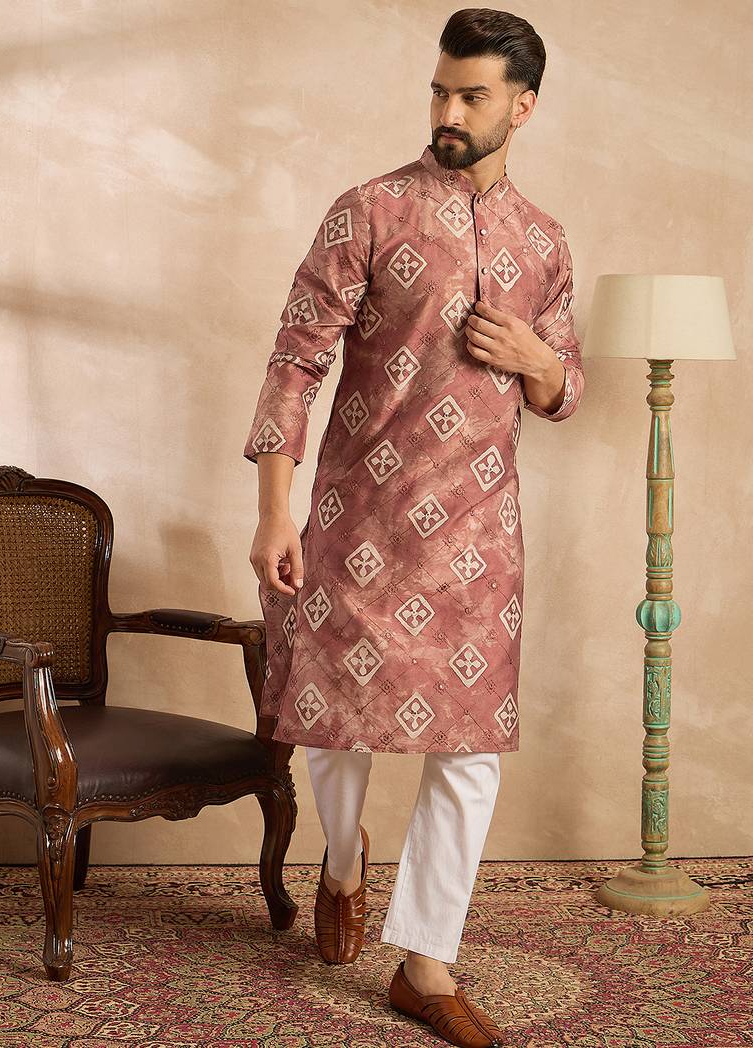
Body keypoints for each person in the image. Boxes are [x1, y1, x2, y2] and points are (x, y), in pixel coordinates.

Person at [244, 8, 585, 1046]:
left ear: (522, 108)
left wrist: (538, 361)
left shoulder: (544, 242)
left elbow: (563, 391)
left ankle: (425, 963)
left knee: (469, 752)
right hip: (357, 519)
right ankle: (342, 863)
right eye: (440, 90)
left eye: (472, 95)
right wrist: (274, 510)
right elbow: (296, 358)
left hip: (480, 538)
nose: (448, 111)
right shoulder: (369, 211)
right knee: (335, 728)